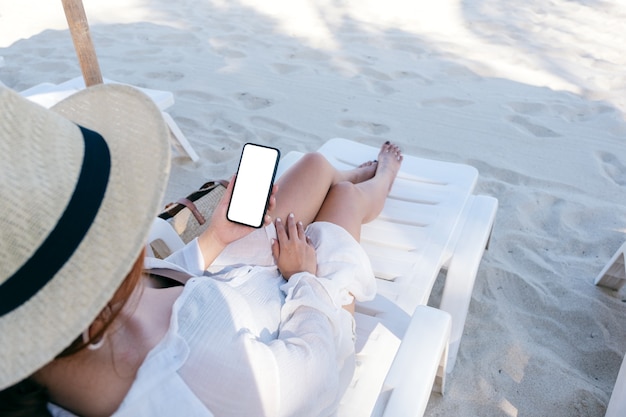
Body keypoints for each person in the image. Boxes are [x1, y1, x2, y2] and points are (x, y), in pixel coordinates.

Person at [0, 84, 402, 417]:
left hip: (231, 277)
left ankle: (342, 179)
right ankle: (378, 182)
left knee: (314, 165)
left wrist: (216, 236)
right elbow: (314, 371)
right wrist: (303, 278)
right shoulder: (191, 376)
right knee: (346, 199)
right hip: (309, 316)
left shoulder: (62, 313)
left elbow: (153, 286)